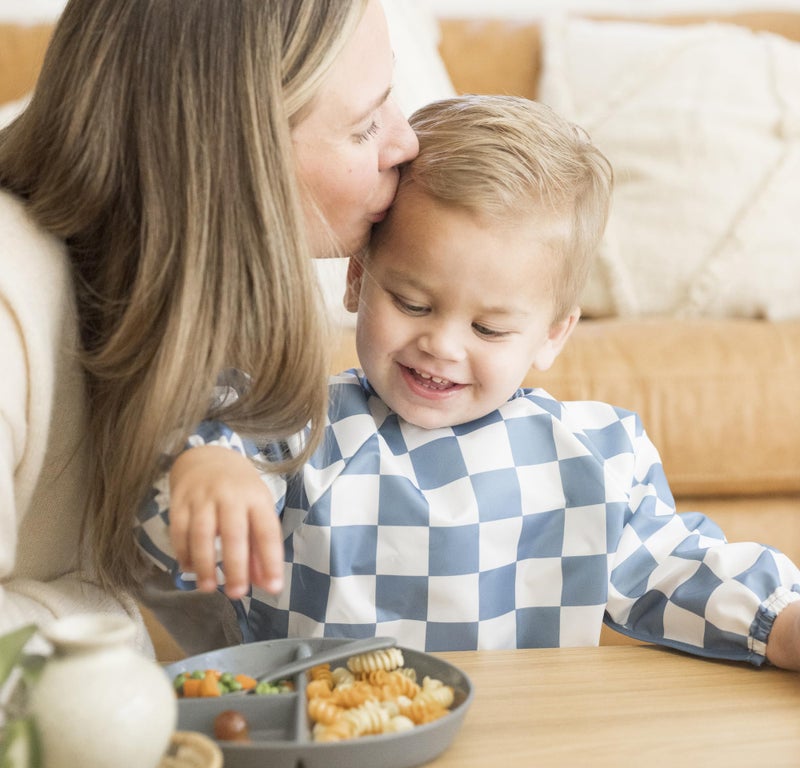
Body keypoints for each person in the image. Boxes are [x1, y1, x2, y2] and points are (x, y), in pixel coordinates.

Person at [139, 95, 800, 668]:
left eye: (488, 329)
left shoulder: (592, 456)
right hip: (331, 746)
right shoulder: (295, 427)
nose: (442, 345)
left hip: (521, 752)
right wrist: (204, 460)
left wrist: (779, 624)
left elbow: (673, 569)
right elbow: (168, 520)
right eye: (413, 304)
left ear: (552, 335)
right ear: (358, 280)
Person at [0, 0, 418, 654]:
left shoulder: (204, 298)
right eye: (366, 125)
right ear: (236, 153)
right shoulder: (10, 312)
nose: (406, 143)